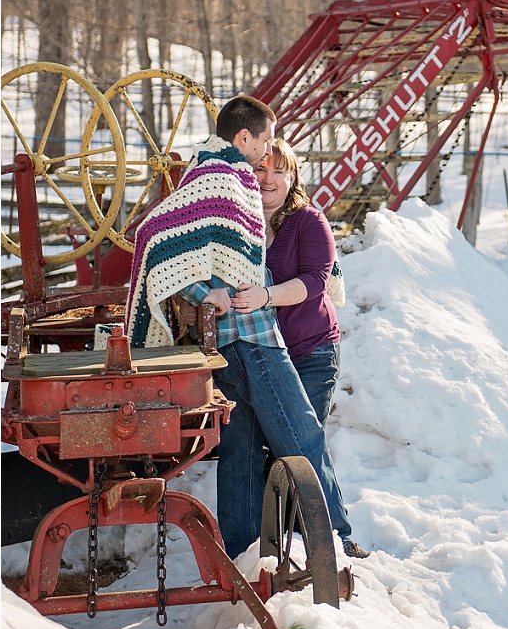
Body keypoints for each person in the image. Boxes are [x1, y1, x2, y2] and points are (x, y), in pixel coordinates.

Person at [125, 95, 353, 561]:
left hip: (269, 343)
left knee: (261, 450)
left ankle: (276, 549)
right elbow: (160, 239)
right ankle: (304, 548)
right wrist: (202, 294)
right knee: (290, 439)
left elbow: (311, 282)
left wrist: (224, 293)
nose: (266, 162)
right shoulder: (226, 183)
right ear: (244, 138)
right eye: (264, 145)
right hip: (251, 337)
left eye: (278, 164)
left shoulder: (220, 177)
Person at [231, 137, 368, 559]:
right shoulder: (237, 223)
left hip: (309, 353)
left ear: (293, 177)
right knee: (247, 451)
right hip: (257, 354)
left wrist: (266, 295)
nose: (269, 178)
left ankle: (334, 540)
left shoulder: (308, 221)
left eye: (279, 170)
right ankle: (253, 552)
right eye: (260, 169)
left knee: (299, 442)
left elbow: (315, 282)